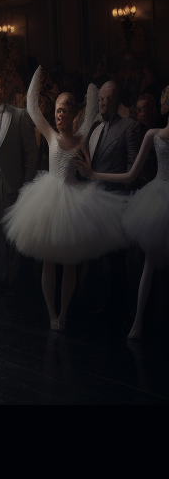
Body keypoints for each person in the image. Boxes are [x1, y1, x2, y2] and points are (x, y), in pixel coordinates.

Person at [5, 69, 129, 331]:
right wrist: (36, 77)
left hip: (74, 199)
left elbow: (93, 108)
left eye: (65, 111)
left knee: (70, 264)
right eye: (59, 110)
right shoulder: (51, 135)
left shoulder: (81, 136)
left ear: (73, 115)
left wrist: (92, 91)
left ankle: (63, 314)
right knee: (49, 261)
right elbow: (32, 108)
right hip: (50, 198)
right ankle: (52, 313)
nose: (60, 115)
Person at [77, 92, 168, 339]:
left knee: (143, 263)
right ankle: (132, 316)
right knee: (134, 262)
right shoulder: (149, 134)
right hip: (146, 197)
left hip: (147, 195)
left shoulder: (140, 130)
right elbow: (127, 172)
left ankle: (140, 316)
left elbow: (132, 172)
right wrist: (92, 174)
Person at [0, 74, 38, 287]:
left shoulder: (20, 115)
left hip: (14, 180)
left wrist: (27, 182)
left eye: (0, 87)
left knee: (14, 231)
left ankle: (13, 279)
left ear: (5, 90)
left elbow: (32, 152)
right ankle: (0, 277)